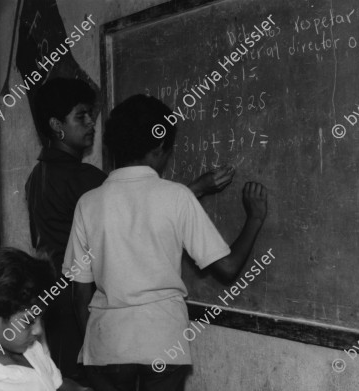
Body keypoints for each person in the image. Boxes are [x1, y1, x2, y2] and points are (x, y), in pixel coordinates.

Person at [25, 78, 235, 380]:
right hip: (93, 310)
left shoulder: (36, 176)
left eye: (92, 117)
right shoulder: (84, 181)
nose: (91, 125)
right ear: (57, 125)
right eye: (81, 116)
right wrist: (195, 190)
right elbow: (138, 210)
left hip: (64, 308)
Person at [62, 94, 268, 391]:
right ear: (160, 148)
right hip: (161, 341)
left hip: (106, 343)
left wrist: (92, 345)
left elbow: (80, 291)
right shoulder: (176, 197)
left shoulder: (88, 203)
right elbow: (228, 267)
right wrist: (255, 219)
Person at [0, 247, 92, 391]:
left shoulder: (27, 347)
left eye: (40, 318)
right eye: (28, 321)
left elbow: (56, 383)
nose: (38, 330)